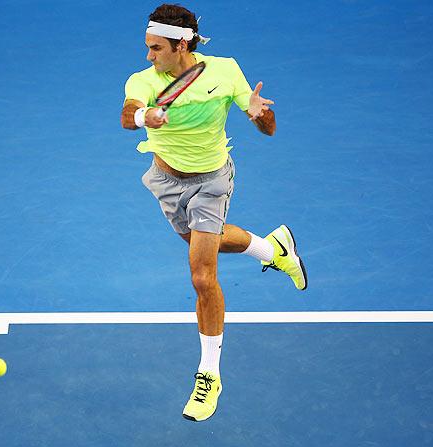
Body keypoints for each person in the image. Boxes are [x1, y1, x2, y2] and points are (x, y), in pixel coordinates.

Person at [120, 4, 307, 422]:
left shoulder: (225, 71)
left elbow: (268, 128)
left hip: (211, 181)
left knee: (203, 276)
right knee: (204, 241)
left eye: (156, 48)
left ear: (181, 44)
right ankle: (274, 249)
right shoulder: (144, 80)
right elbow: (127, 115)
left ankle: (209, 374)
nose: (149, 56)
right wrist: (144, 114)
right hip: (166, 180)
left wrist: (262, 113)